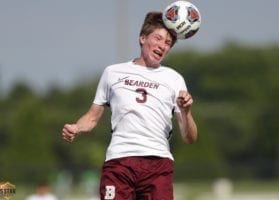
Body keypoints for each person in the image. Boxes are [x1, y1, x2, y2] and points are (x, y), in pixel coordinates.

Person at [62, 11, 197, 200]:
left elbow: (189, 137)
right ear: (142, 38)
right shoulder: (113, 73)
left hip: (158, 164)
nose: (162, 46)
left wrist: (186, 111)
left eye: (168, 43)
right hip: (119, 162)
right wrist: (77, 127)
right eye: (158, 38)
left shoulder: (174, 79)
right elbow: (92, 118)